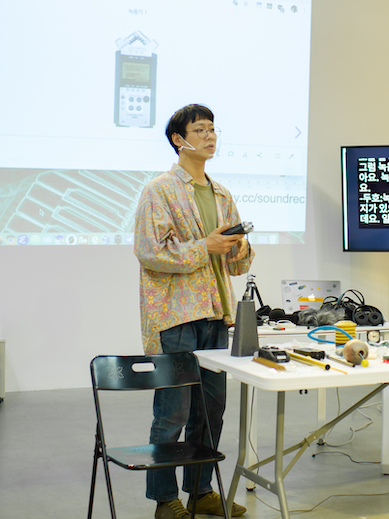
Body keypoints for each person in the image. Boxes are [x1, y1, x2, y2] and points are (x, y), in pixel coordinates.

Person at [134, 104, 253, 519]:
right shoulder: (160, 190)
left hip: (217, 314)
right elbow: (150, 252)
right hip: (176, 317)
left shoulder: (221, 194)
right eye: (200, 130)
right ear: (178, 139)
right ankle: (164, 499)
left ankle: (200, 491)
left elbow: (235, 265)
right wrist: (207, 246)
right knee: (173, 412)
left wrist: (239, 247)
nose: (210, 136)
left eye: (213, 129)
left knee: (210, 410)